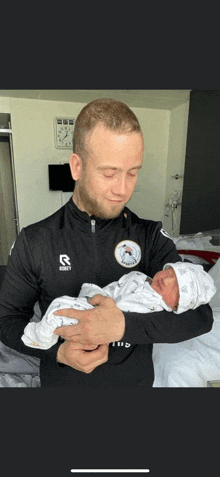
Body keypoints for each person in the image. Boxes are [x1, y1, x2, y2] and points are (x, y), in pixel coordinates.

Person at [0, 98, 214, 387]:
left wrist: (122, 326)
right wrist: (58, 352)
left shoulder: (149, 237)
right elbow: (8, 320)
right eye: (109, 173)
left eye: (133, 172)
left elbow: (201, 317)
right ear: (77, 166)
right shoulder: (35, 240)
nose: (122, 189)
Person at [21, 264, 216, 350]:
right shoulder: (142, 280)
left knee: (58, 307)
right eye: (170, 272)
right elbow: (117, 288)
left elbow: (116, 313)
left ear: (176, 306)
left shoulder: (151, 303)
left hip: (97, 317)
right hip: (97, 300)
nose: (166, 280)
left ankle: (41, 339)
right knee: (54, 306)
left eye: (176, 287)